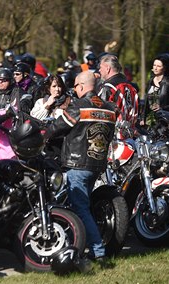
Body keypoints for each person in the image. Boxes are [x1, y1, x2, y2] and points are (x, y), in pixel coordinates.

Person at [47, 71, 116, 263]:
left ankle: (98, 251)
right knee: (83, 205)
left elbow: (59, 126)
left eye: (75, 86)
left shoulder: (79, 105)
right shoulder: (110, 108)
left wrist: (44, 133)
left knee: (80, 208)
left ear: (82, 86)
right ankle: (79, 243)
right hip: (97, 164)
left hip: (77, 163)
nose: (74, 90)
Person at [97, 53, 139, 127]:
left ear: (107, 68)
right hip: (130, 132)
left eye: (100, 67)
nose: (99, 70)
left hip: (112, 133)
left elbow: (98, 112)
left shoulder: (107, 88)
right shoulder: (130, 86)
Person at [140, 53, 169, 126]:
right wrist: (143, 118)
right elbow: (146, 102)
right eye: (154, 65)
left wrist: (162, 107)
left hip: (164, 120)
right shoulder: (150, 81)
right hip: (150, 120)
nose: (155, 68)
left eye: (158, 66)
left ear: (164, 68)